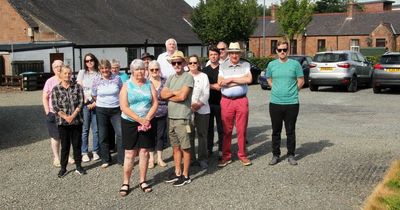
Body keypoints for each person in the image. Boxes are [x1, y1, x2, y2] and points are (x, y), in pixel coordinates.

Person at [119, 59, 158, 196]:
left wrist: (147, 119)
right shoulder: (126, 85)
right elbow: (124, 106)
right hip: (130, 122)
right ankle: (126, 182)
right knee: (130, 153)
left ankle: (143, 180)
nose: (140, 71)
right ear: (132, 71)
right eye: (136, 69)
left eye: (142, 68)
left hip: (147, 121)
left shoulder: (149, 84)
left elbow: (155, 103)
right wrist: (140, 119)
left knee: (144, 152)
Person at [266, 40, 304, 166]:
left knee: (290, 130)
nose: (282, 52)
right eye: (280, 50)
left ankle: (291, 155)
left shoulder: (295, 64)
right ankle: (275, 155)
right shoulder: (271, 64)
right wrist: (275, 88)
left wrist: (293, 91)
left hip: (292, 103)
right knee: (276, 131)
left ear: (288, 50)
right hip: (275, 103)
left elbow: (301, 80)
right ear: (276, 51)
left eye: (285, 50)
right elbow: (269, 79)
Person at [161, 51, 194, 186]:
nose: (176, 65)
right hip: (171, 118)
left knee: (185, 147)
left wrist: (171, 94)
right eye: (174, 63)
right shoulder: (170, 78)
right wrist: (176, 92)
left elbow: (183, 97)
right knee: (175, 147)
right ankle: (177, 172)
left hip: (182, 118)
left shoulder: (188, 77)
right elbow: (162, 94)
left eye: (179, 62)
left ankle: (186, 175)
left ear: (184, 63)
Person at [217, 42, 253, 167]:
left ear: (239, 53)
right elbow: (220, 83)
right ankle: (226, 156)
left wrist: (231, 80)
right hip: (226, 100)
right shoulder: (223, 66)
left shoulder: (245, 64)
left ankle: (242, 155)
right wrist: (240, 81)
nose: (234, 55)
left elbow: (249, 80)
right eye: (232, 53)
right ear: (229, 53)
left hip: (241, 100)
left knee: (241, 130)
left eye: (236, 53)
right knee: (227, 130)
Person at [51, 65, 86, 177]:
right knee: (65, 146)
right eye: (65, 73)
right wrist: (66, 117)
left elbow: (81, 102)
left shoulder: (77, 87)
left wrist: (73, 116)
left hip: (76, 121)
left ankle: (79, 166)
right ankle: (63, 168)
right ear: (60, 74)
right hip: (63, 123)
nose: (67, 75)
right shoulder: (56, 89)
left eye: (69, 73)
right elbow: (55, 106)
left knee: (77, 145)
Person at [92, 59, 124, 168]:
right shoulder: (96, 79)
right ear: (100, 69)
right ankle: (106, 159)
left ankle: (121, 159)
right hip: (101, 110)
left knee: (120, 134)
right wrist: (102, 102)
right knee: (103, 135)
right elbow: (94, 95)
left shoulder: (117, 78)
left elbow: (122, 92)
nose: (105, 70)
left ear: (110, 68)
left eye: (106, 68)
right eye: (102, 68)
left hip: (116, 109)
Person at [77, 53, 100, 163]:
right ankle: (84, 152)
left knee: (96, 130)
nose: (89, 62)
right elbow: (79, 87)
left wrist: (95, 102)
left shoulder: (99, 73)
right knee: (85, 129)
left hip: (96, 103)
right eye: (87, 61)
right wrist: (86, 100)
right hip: (85, 103)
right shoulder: (82, 73)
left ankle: (95, 151)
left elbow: (101, 88)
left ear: (94, 60)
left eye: (91, 60)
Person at [188, 55, 210, 169]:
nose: (193, 65)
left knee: (202, 135)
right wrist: (190, 107)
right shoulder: (185, 76)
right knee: (190, 135)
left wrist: (198, 105)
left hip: (203, 110)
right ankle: (191, 159)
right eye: (190, 63)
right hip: (188, 110)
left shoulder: (204, 76)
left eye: (195, 62)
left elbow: (206, 93)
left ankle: (203, 158)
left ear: (198, 64)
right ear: (187, 65)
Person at [202, 46, 223, 156]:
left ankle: (221, 149)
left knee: (221, 127)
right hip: (208, 103)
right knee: (209, 128)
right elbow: (201, 85)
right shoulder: (204, 70)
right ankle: (209, 148)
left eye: (215, 54)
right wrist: (212, 86)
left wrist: (212, 85)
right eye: (211, 55)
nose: (213, 56)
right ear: (208, 56)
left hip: (221, 103)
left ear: (219, 55)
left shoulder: (224, 69)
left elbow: (224, 84)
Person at [147, 60, 168, 168]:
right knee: (150, 136)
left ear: (159, 70)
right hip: (149, 114)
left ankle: (159, 158)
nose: (155, 71)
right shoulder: (146, 82)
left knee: (160, 136)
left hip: (162, 112)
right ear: (149, 70)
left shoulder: (165, 81)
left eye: (156, 69)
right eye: (152, 69)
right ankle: (151, 158)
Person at [43, 60, 63, 167]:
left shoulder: (67, 79)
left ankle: (66, 155)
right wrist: (47, 111)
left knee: (65, 136)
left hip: (66, 114)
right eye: (56, 67)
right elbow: (45, 97)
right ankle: (56, 157)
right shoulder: (49, 81)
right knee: (55, 137)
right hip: (53, 113)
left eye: (61, 66)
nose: (59, 68)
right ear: (53, 69)